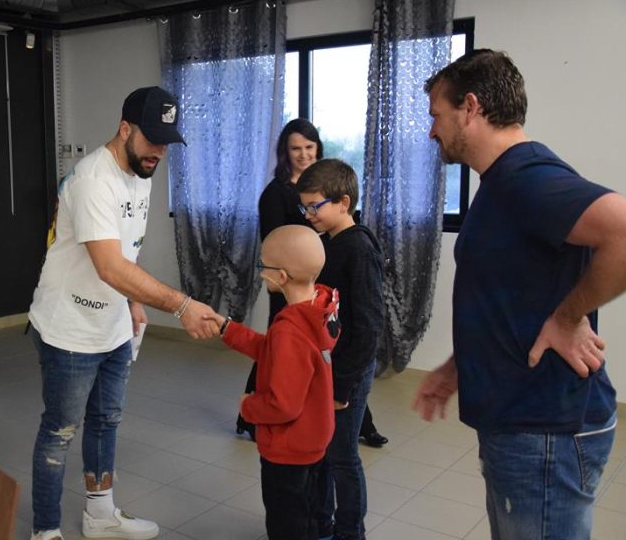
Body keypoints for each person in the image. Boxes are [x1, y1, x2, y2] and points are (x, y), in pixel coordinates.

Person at [412, 49, 626, 540]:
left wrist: (569, 318)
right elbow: (511, 292)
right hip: (524, 425)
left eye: (436, 116)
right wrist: (459, 364)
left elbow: (622, 231)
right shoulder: (503, 182)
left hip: (543, 432)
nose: (431, 131)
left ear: (470, 107)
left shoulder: (525, 178)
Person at [27, 86, 220, 540]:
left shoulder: (141, 173)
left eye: (166, 142)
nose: (159, 152)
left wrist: (133, 301)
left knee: (105, 421)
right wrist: (182, 305)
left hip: (113, 326)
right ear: (124, 129)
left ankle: (100, 515)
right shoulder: (94, 180)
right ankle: (45, 531)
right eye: (152, 139)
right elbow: (109, 267)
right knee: (60, 431)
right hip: (68, 328)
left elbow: (125, 249)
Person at [237, 119, 387, 448]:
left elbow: (366, 325)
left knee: (341, 448)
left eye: (309, 147)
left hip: (334, 333)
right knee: (280, 350)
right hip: (294, 291)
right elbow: (275, 246)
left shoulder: (352, 241)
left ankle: (354, 421)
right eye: (296, 148)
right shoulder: (279, 196)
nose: (303, 154)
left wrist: (340, 387)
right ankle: (259, 415)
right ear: (285, 152)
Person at [206, 224, 340, 540]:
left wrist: (248, 406)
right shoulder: (319, 308)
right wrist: (228, 329)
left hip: (288, 449)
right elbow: (272, 350)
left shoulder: (289, 331)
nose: (260, 271)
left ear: (280, 276)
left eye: (262, 265)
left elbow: (283, 405)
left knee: (286, 522)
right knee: (311, 511)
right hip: (314, 438)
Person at [296, 159, 384, 540]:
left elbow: (368, 326)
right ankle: (322, 524)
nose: (308, 215)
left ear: (343, 202)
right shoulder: (329, 242)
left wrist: (343, 386)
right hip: (327, 365)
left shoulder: (359, 248)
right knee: (322, 452)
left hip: (349, 370)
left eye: (314, 206)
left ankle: (351, 532)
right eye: (304, 207)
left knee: (343, 456)